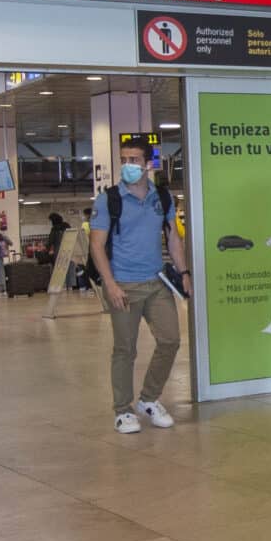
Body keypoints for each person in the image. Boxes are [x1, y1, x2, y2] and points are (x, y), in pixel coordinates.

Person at [90, 143, 189, 434]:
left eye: (134, 159)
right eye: (123, 160)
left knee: (170, 340)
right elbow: (97, 245)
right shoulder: (108, 199)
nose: (127, 164)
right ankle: (123, 411)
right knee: (125, 349)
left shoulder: (163, 197)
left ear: (148, 164)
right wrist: (110, 284)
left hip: (157, 282)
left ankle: (149, 398)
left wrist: (184, 272)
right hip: (123, 284)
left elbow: (173, 239)